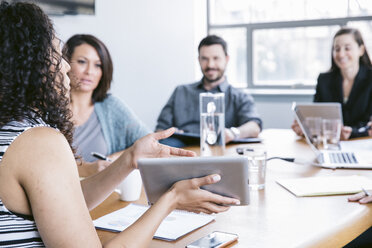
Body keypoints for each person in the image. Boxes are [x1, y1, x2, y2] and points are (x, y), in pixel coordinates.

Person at [0, 1, 240, 247]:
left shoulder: (12, 130)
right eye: (56, 55)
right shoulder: (40, 142)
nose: (67, 66)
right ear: (28, 65)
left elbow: (61, 202)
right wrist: (171, 200)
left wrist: (128, 160)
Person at [63, 34, 149, 177]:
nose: (89, 71)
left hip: (106, 195)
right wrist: (87, 169)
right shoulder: (48, 108)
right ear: (65, 64)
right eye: (82, 62)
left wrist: (113, 160)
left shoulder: (110, 107)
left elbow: (148, 142)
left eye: (98, 65)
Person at [156, 35, 262, 146]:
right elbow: (160, 129)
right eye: (204, 59)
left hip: (222, 152)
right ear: (199, 60)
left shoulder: (240, 97)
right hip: (181, 152)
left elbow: (254, 126)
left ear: (226, 59)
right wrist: (172, 132)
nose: (210, 65)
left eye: (216, 58)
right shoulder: (181, 92)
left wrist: (232, 133)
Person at [292, 27, 372, 140]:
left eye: (347, 48)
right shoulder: (324, 80)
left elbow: (368, 123)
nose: (341, 54)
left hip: (362, 143)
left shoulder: (370, 79)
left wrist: (352, 132)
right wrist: (306, 128)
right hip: (330, 143)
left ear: (361, 50)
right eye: (337, 49)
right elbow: (317, 116)